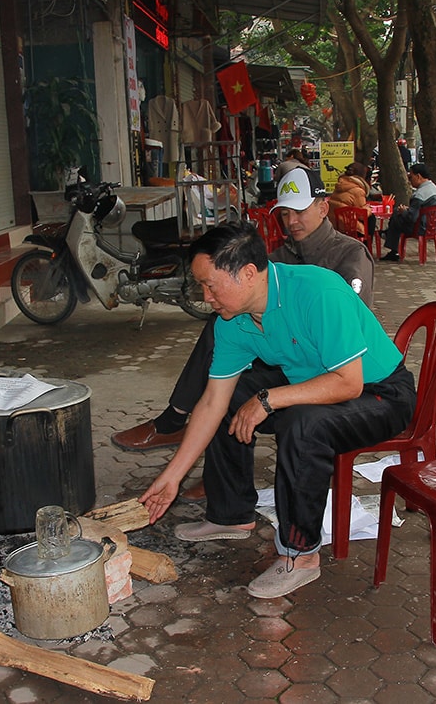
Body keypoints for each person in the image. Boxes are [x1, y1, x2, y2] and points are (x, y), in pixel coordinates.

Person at [137, 221, 416, 599]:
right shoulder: (232, 322)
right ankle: (231, 514)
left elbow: (348, 383)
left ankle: (300, 556)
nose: (205, 297)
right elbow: (211, 403)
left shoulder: (318, 292)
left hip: (380, 394)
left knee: (303, 425)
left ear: (248, 273)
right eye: (201, 286)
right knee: (233, 398)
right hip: (314, 384)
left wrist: (269, 399)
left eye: (210, 285)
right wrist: (172, 477)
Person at [112, 168, 376, 466]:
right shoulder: (280, 256)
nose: (292, 221)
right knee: (224, 346)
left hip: (333, 364)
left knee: (238, 363)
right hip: (287, 354)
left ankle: (177, 421)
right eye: (285, 214)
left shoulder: (350, 255)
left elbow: (349, 328)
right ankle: (219, 472)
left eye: (299, 212)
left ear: (323, 207)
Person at [380, 163, 436, 262]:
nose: (409, 180)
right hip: (434, 227)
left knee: (396, 214)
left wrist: (404, 211)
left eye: (410, 177)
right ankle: (389, 236)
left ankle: (391, 244)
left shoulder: (420, 194)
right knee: (397, 216)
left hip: (420, 227)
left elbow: (412, 217)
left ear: (418, 176)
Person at [327, 162, 372, 232]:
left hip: (334, 224)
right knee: (372, 219)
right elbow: (362, 216)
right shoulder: (358, 191)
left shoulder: (339, 185)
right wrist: (368, 209)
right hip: (349, 227)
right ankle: (367, 242)